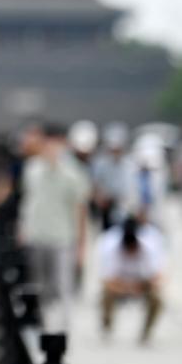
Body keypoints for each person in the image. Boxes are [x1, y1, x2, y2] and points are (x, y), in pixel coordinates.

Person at [18, 122, 89, 330]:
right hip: (37, 235)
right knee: (41, 284)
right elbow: (27, 202)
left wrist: (81, 245)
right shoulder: (31, 169)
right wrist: (23, 227)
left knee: (62, 284)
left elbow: (80, 211)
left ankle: (63, 327)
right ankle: (43, 321)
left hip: (63, 238)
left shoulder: (73, 174)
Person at [99, 216, 165, 343]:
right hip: (120, 286)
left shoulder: (147, 249)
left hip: (140, 285)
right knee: (105, 294)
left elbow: (158, 277)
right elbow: (106, 280)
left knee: (157, 299)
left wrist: (138, 288)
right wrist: (125, 288)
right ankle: (107, 327)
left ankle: (146, 332)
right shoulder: (113, 249)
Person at [91, 122, 135, 231]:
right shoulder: (100, 164)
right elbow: (96, 186)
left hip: (126, 208)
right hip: (106, 209)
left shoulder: (130, 164)